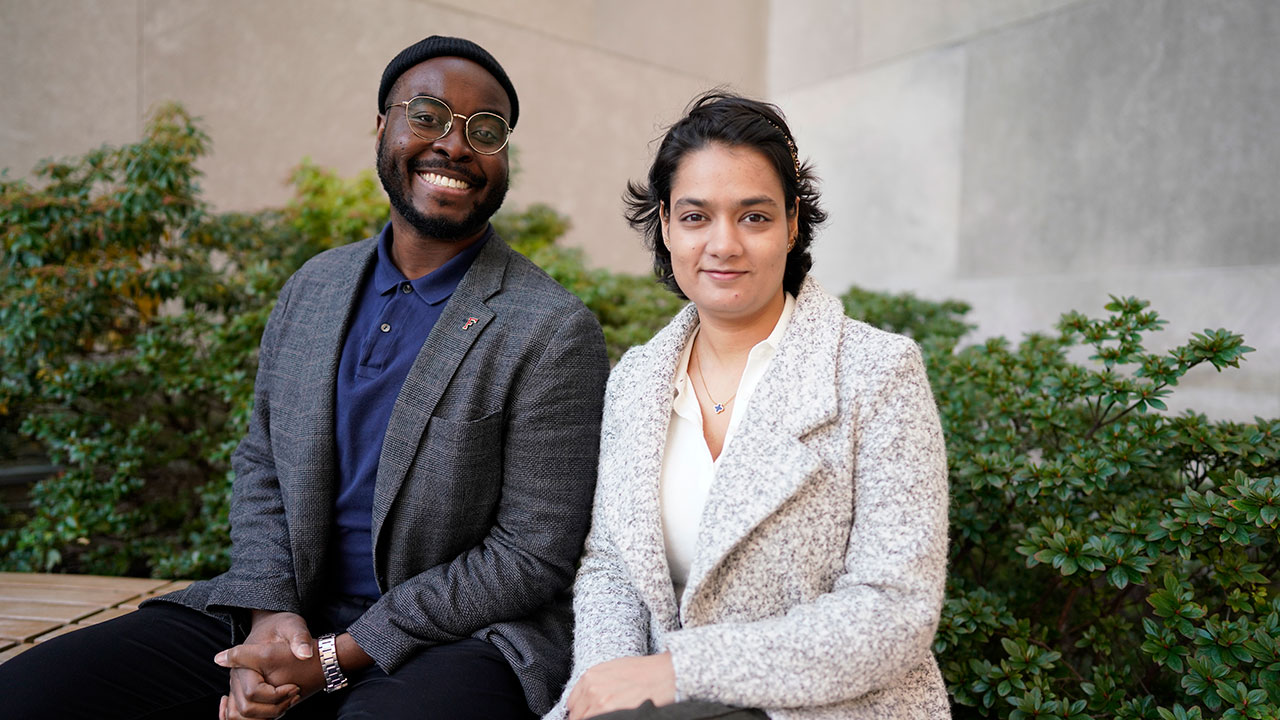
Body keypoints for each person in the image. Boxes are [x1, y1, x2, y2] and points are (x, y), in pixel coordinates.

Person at [0, 35, 609, 720]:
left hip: (457, 636)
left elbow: (531, 554)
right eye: (428, 114)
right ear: (383, 128)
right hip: (286, 610)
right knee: (30, 696)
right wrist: (269, 617)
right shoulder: (313, 288)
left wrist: (333, 657)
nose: (455, 145)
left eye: (485, 130)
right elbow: (262, 460)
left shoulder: (551, 327)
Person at [546, 92, 951, 720]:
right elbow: (612, 571)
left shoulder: (877, 374)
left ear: (792, 223)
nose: (724, 244)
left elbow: (894, 609)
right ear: (665, 224)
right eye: (696, 216)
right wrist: (603, 689)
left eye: (754, 217)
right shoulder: (634, 382)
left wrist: (682, 670)